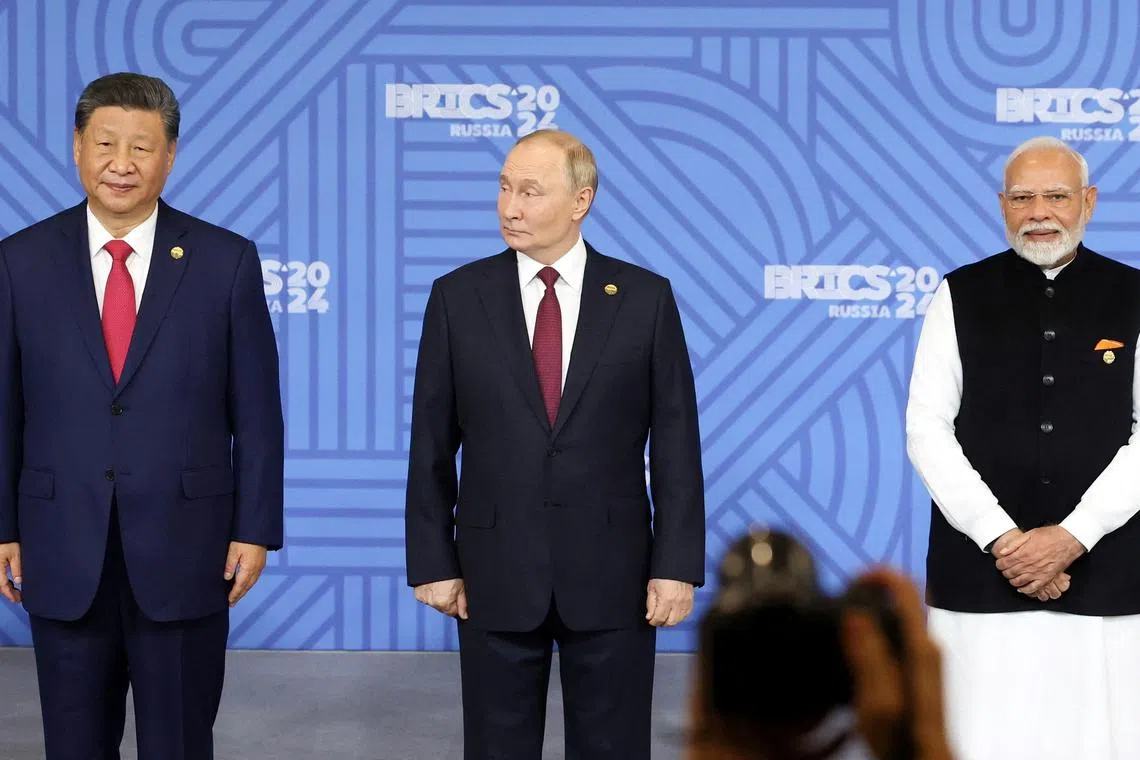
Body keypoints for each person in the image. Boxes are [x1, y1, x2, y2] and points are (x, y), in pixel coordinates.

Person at [0, 73, 284, 759]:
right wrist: (2, 525)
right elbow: (4, 408)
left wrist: (254, 529)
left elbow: (259, 411)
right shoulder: (20, 261)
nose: (121, 163)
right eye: (104, 143)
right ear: (75, 147)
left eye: (141, 147)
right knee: (73, 743)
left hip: (188, 547)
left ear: (171, 157)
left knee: (180, 743)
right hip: (60, 542)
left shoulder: (225, 260)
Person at [405, 128, 705, 759]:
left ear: (581, 201)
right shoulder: (457, 298)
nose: (510, 206)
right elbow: (430, 444)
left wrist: (675, 564)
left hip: (614, 575)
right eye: (505, 188)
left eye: (530, 192)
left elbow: (676, 443)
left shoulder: (645, 299)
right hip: (493, 571)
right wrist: (433, 560)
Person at [906, 136, 1140, 760]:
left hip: (1109, 577)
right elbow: (926, 428)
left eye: (1057, 196)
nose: (1040, 211)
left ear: (1088, 202)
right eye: (1023, 197)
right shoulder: (958, 293)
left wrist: (1074, 536)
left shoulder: (1135, 295)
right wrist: (1003, 540)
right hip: (980, 575)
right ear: (1001, 206)